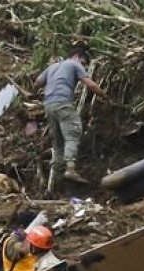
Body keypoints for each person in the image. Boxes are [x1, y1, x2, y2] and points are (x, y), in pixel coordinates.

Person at [35, 45, 105, 184]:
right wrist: (104, 95)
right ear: (77, 57)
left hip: (49, 106)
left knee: (58, 142)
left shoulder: (53, 67)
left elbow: (37, 81)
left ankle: (58, 178)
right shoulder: (74, 63)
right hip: (63, 104)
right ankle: (70, 169)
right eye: (84, 63)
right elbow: (90, 85)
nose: (84, 67)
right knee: (73, 132)